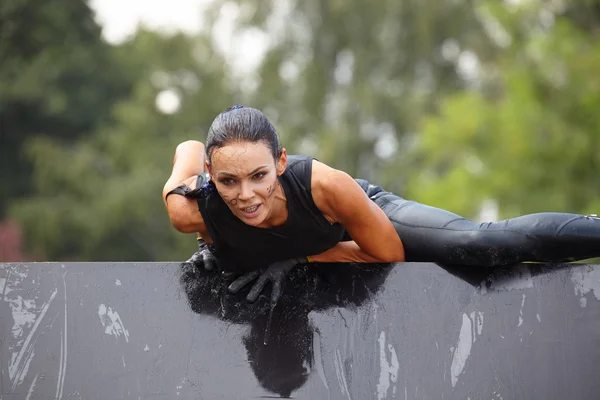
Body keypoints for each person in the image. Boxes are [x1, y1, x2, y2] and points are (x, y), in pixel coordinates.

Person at [163, 105, 600, 304]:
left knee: (475, 244)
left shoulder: (325, 185)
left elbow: (388, 255)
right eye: (227, 181)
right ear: (209, 171)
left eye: (259, 176)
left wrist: (297, 257)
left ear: (279, 162)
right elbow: (187, 144)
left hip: (364, 217)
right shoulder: (191, 207)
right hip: (315, 238)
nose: (246, 195)